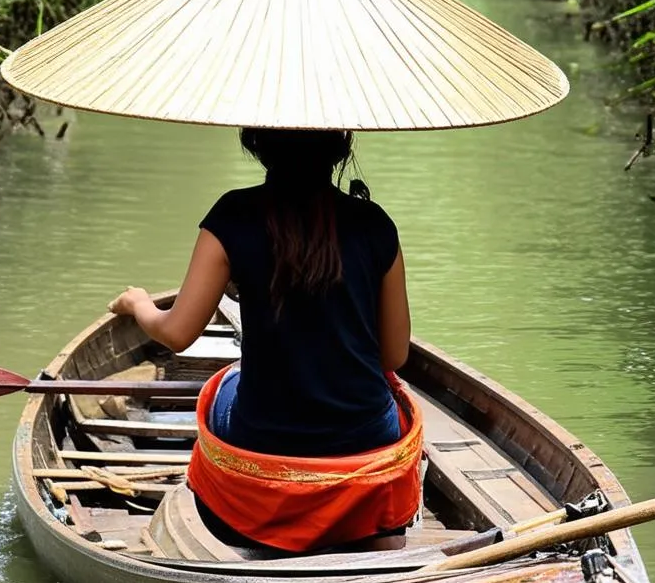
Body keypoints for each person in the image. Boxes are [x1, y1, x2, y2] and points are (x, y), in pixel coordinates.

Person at [108, 128, 421, 553]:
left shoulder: (232, 216)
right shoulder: (375, 224)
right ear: (341, 146)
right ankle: (369, 521)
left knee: (223, 387)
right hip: (364, 437)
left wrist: (139, 303)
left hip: (264, 438)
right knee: (394, 403)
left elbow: (177, 334)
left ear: (255, 143)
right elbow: (393, 354)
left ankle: (243, 519)